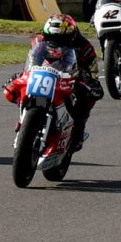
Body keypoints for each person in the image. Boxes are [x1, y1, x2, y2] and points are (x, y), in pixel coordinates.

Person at [25, 15, 103, 149]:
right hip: (45, 74)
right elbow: (32, 60)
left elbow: (92, 71)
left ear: (71, 37)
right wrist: (25, 74)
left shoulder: (85, 48)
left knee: (88, 96)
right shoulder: (39, 41)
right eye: (51, 38)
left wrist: (91, 84)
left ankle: (78, 132)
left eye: (60, 39)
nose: (54, 43)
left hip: (71, 77)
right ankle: (24, 121)